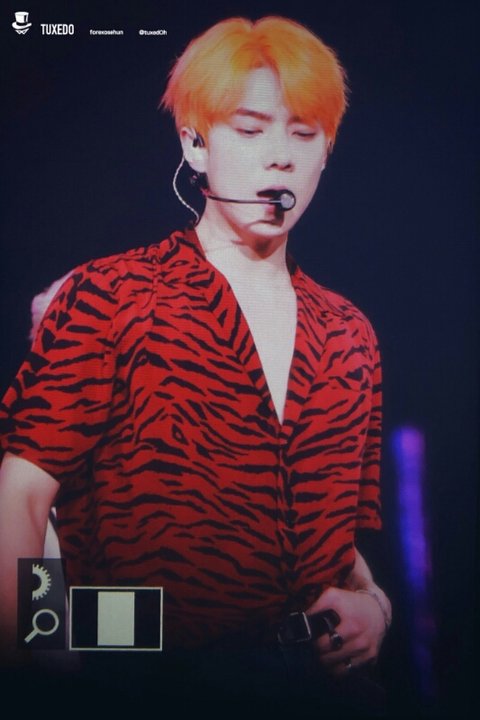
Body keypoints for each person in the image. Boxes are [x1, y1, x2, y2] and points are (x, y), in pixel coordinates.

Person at [0, 15, 391, 710]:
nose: (280, 157)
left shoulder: (350, 333)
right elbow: (22, 496)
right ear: (195, 143)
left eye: (304, 134)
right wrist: (38, 659)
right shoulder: (113, 295)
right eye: (251, 130)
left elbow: (333, 545)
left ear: (326, 152)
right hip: (154, 688)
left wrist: (376, 608)